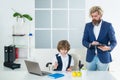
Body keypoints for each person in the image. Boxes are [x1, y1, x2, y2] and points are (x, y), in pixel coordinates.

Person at [82, 6, 117, 71]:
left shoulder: (108, 26)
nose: (93, 18)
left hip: (104, 57)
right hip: (90, 57)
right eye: (92, 16)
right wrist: (90, 44)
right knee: (90, 77)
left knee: (103, 77)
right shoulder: (88, 26)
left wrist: (109, 47)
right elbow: (84, 41)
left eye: (95, 16)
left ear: (100, 15)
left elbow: (114, 41)